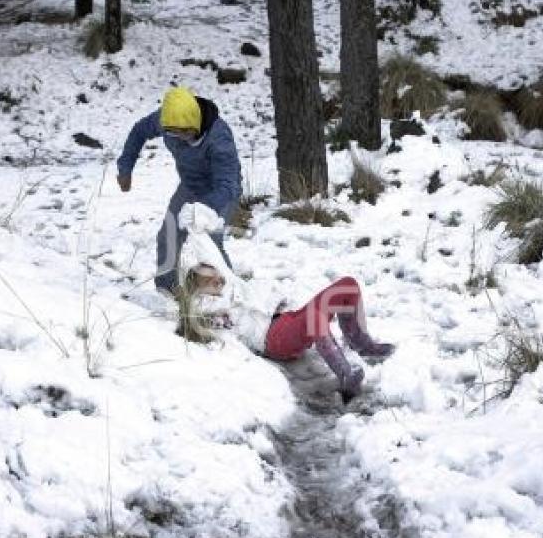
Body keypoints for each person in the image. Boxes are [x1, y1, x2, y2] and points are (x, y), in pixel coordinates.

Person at [177, 204, 395, 402]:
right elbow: (199, 317)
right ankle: (345, 374)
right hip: (274, 339)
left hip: (286, 321)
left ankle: (360, 342)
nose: (216, 280)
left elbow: (210, 252)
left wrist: (195, 225)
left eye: (216, 275)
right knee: (314, 318)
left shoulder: (230, 285)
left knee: (348, 285)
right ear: (194, 288)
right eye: (207, 281)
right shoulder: (206, 308)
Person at [117, 86, 241, 293]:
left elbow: (228, 184)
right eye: (173, 133)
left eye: (185, 133)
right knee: (168, 235)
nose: (179, 137)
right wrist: (125, 167)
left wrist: (202, 209)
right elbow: (139, 131)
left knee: (211, 243)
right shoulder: (168, 122)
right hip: (189, 187)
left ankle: (230, 294)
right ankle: (167, 289)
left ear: (195, 123)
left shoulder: (219, 138)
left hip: (220, 193)